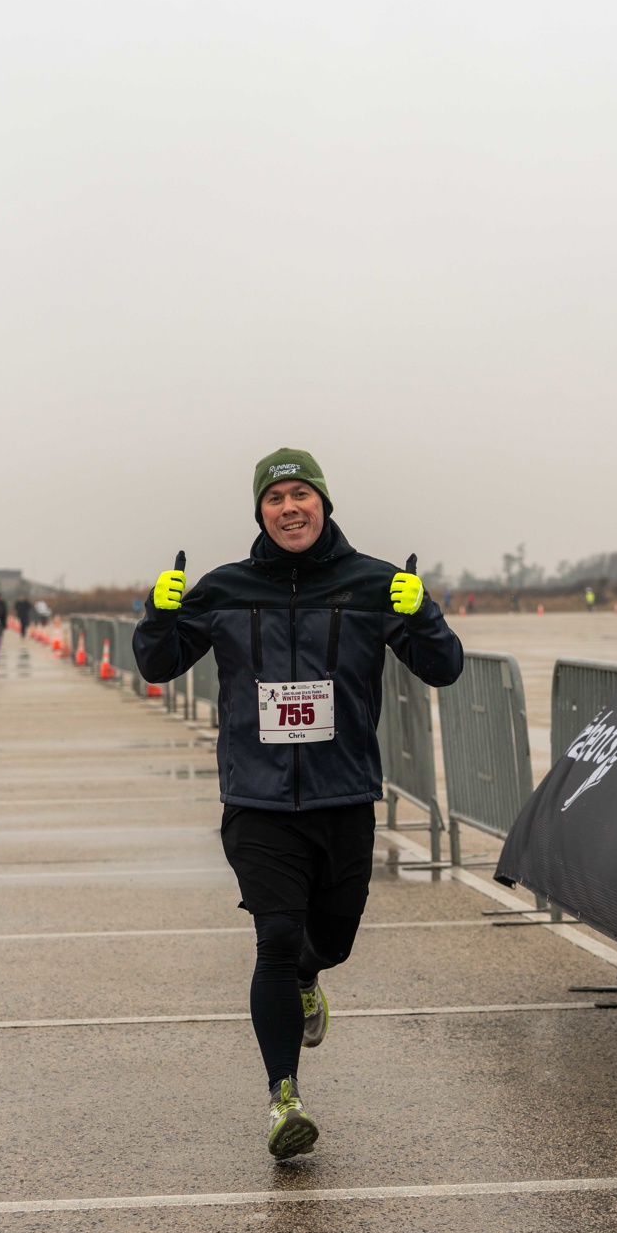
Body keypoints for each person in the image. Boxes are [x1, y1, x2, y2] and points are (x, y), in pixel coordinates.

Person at [133, 448, 462, 1160]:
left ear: (323, 503)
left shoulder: (374, 583)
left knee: (331, 942)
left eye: (301, 495)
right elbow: (158, 664)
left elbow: (443, 668)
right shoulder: (225, 589)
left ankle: (313, 977)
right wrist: (157, 613)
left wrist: (424, 614)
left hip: (343, 795)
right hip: (257, 800)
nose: (289, 508)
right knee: (276, 937)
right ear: (260, 512)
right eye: (275, 498)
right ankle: (284, 1097)